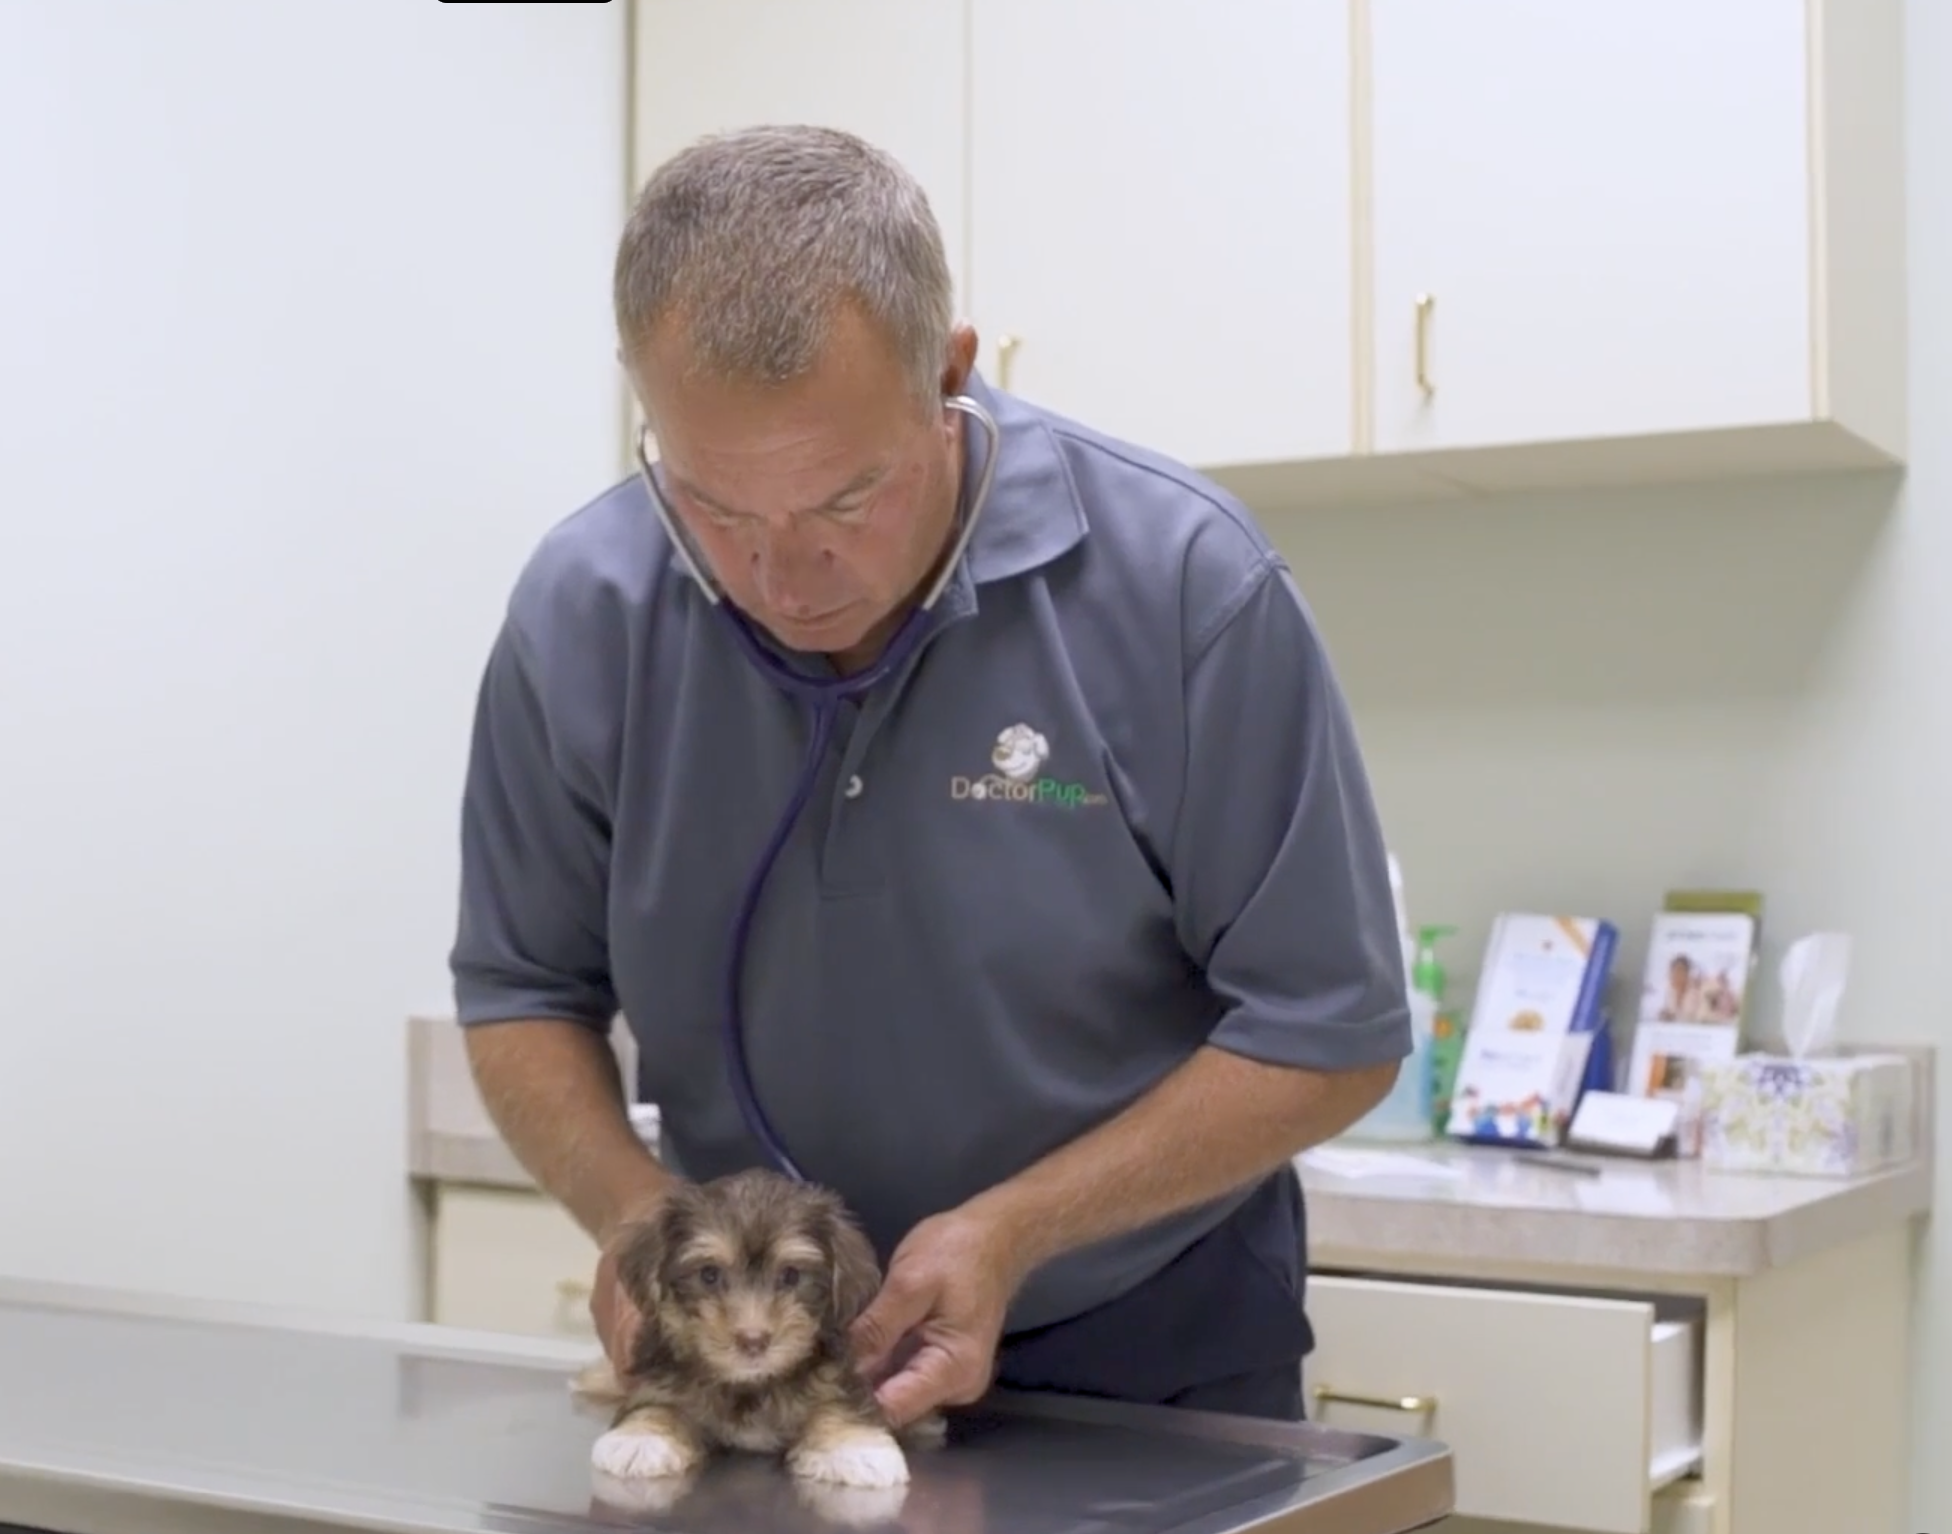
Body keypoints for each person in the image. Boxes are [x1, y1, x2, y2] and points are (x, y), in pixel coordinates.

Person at [447, 124, 1411, 1428]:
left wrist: (1014, 1228)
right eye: (716, 510)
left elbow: (1326, 1032)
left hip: (1142, 1349)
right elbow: (518, 992)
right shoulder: (584, 611)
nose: (783, 578)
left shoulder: (1185, 588)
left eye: (847, 501)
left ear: (948, 375)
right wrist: (635, 1224)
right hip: (751, 1356)